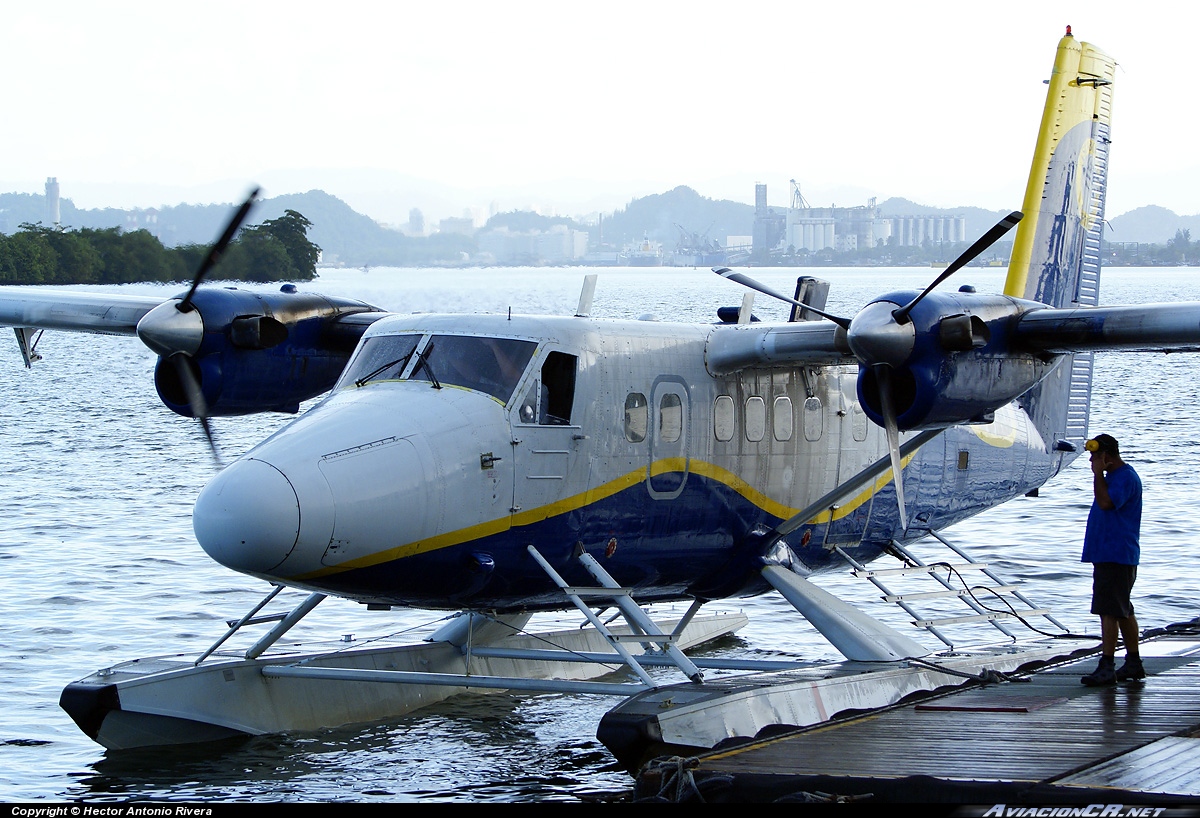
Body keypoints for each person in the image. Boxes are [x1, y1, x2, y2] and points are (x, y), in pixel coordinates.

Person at [1079, 433, 1144, 686]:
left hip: (1115, 553)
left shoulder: (1124, 477)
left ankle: (1107, 665)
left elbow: (1106, 503)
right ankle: (1134, 662)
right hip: (1110, 553)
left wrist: (1097, 475)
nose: (1092, 461)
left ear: (1105, 456)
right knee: (1122, 608)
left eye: (1095, 457)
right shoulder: (1116, 478)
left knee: (1108, 609)